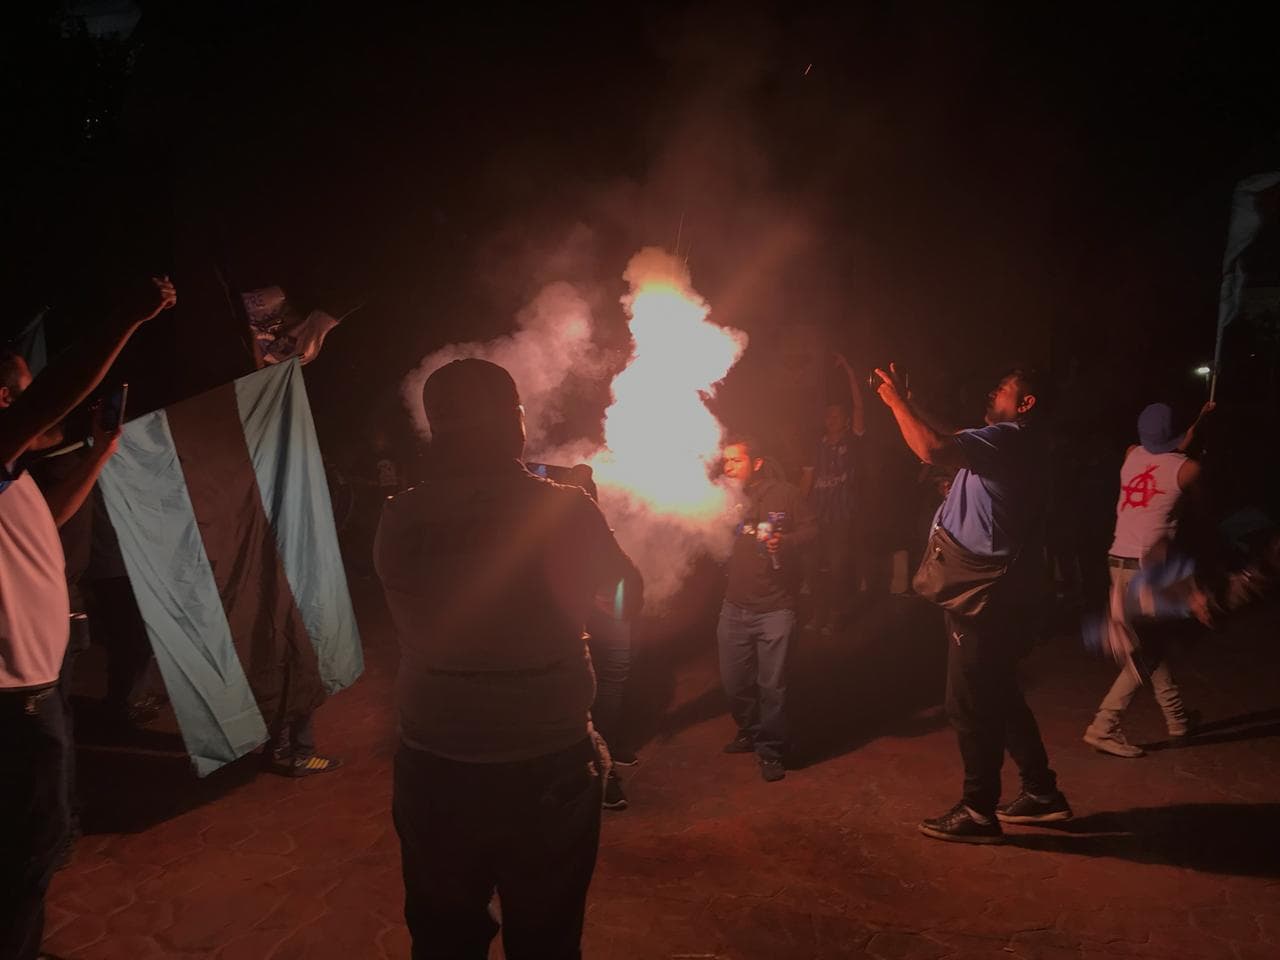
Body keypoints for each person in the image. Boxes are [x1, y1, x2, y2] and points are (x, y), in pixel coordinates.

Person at [375, 358, 643, 959]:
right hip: (546, 762)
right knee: (547, 942)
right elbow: (627, 599)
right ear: (516, 423)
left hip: (436, 763)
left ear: (436, 429)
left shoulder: (400, 516)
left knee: (444, 941)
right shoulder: (566, 510)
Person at [1, 276, 176, 960]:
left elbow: (48, 521)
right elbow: (55, 392)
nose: (35, 400)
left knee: (33, 850)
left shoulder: (15, 480)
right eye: (20, 389)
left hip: (34, 692)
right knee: (26, 854)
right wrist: (126, 318)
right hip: (13, 704)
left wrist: (101, 451)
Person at [874, 363, 1071, 843]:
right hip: (997, 591)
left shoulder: (1010, 439)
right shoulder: (1014, 442)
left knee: (968, 704)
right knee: (998, 690)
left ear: (1025, 403)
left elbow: (933, 448)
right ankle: (1041, 792)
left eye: (1003, 388)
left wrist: (895, 404)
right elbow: (949, 435)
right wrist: (911, 402)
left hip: (982, 595)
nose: (992, 392)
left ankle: (978, 810)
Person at [1083, 401, 1211, 758]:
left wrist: (1200, 419)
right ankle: (1104, 725)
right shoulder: (1189, 470)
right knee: (1149, 649)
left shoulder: (1131, 454)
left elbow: (1171, 446)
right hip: (1150, 569)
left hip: (1117, 560)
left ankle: (1177, 719)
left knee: (1149, 644)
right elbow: (1200, 506)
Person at [719, 435, 816, 782]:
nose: (729, 467)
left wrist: (785, 542)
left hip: (775, 607)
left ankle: (771, 749)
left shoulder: (785, 493)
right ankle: (748, 730)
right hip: (734, 606)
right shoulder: (723, 497)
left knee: (773, 686)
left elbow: (812, 529)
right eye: (726, 460)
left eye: (737, 460)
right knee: (734, 683)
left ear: (757, 463)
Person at [799, 353, 865, 633]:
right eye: (828, 415)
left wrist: (849, 371)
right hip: (817, 515)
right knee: (812, 567)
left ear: (846, 420)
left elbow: (859, 406)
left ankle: (834, 616)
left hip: (840, 516)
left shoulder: (853, 440)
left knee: (837, 568)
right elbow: (807, 479)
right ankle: (817, 615)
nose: (830, 419)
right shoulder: (816, 445)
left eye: (836, 415)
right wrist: (798, 509)